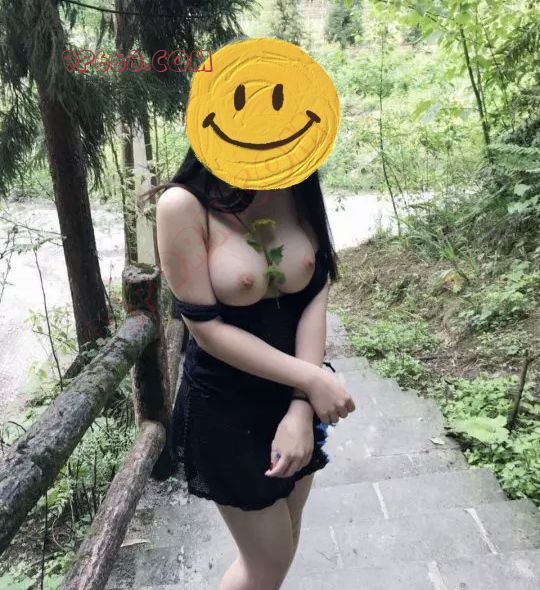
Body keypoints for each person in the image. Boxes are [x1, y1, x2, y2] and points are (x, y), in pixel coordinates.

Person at [154, 146, 355, 590]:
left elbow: (315, 294)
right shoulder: (183, 206)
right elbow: (206, 330)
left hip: (295, 401)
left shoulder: (296, 175)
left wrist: (301, 405)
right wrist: (312, 379)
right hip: (227, 406)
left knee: (288, 534)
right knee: (266, 562)